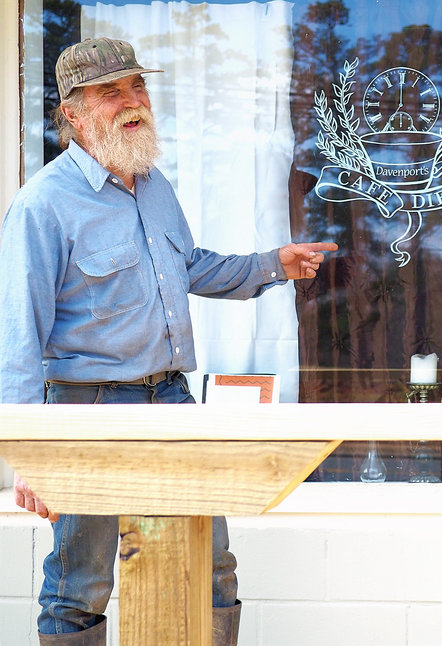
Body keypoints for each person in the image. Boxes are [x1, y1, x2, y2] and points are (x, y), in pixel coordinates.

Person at [0, 37, 337, 645]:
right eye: (111, 93)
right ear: (72, 113)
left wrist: (271, 264)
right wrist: (30, 451)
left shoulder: (151, 182)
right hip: (89, 413)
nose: (133, 102)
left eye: (137, 87)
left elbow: (188, 268)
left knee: (211, 568)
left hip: (173, 402)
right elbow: (18, 332)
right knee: (81, 584)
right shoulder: (41, 205)